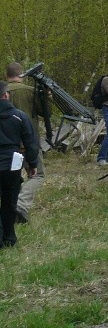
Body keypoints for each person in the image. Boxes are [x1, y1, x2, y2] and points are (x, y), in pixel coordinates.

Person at [0, 81, 40, 249]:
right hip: (12, 164)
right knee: (9, 202)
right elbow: (31, 143)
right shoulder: (19, 116)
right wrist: (32, 164)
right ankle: (9, 237)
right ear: (5, 95)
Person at [6, 63, 44, 224]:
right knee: (37, 174)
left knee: (11, 177)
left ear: (6, 75)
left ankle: (10, 207)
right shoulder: (30, 91)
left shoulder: (4, 91)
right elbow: (44, 112)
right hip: (29, 141)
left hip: (7, 143)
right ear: (22, 74)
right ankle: (20, 205)